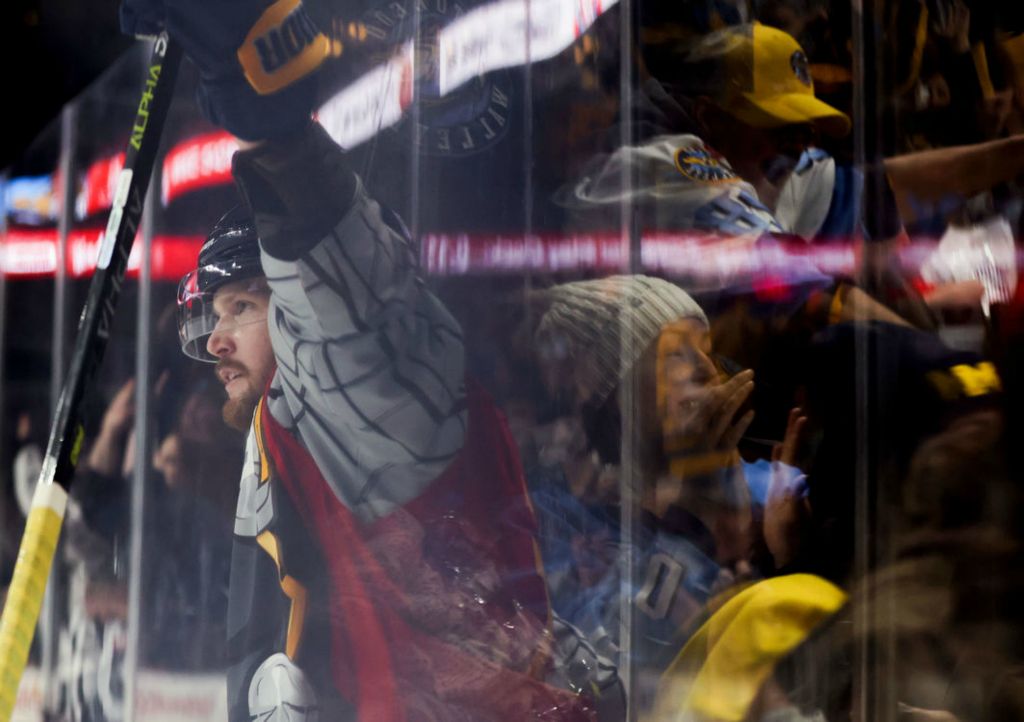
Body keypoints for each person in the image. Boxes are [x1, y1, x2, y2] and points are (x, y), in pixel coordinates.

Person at [122, 0, 618, 719]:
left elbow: (346, 317)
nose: (217, 341)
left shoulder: (369, 399)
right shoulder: (289, 433)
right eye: (212, 318)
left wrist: (279, 134)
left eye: (244, 308)